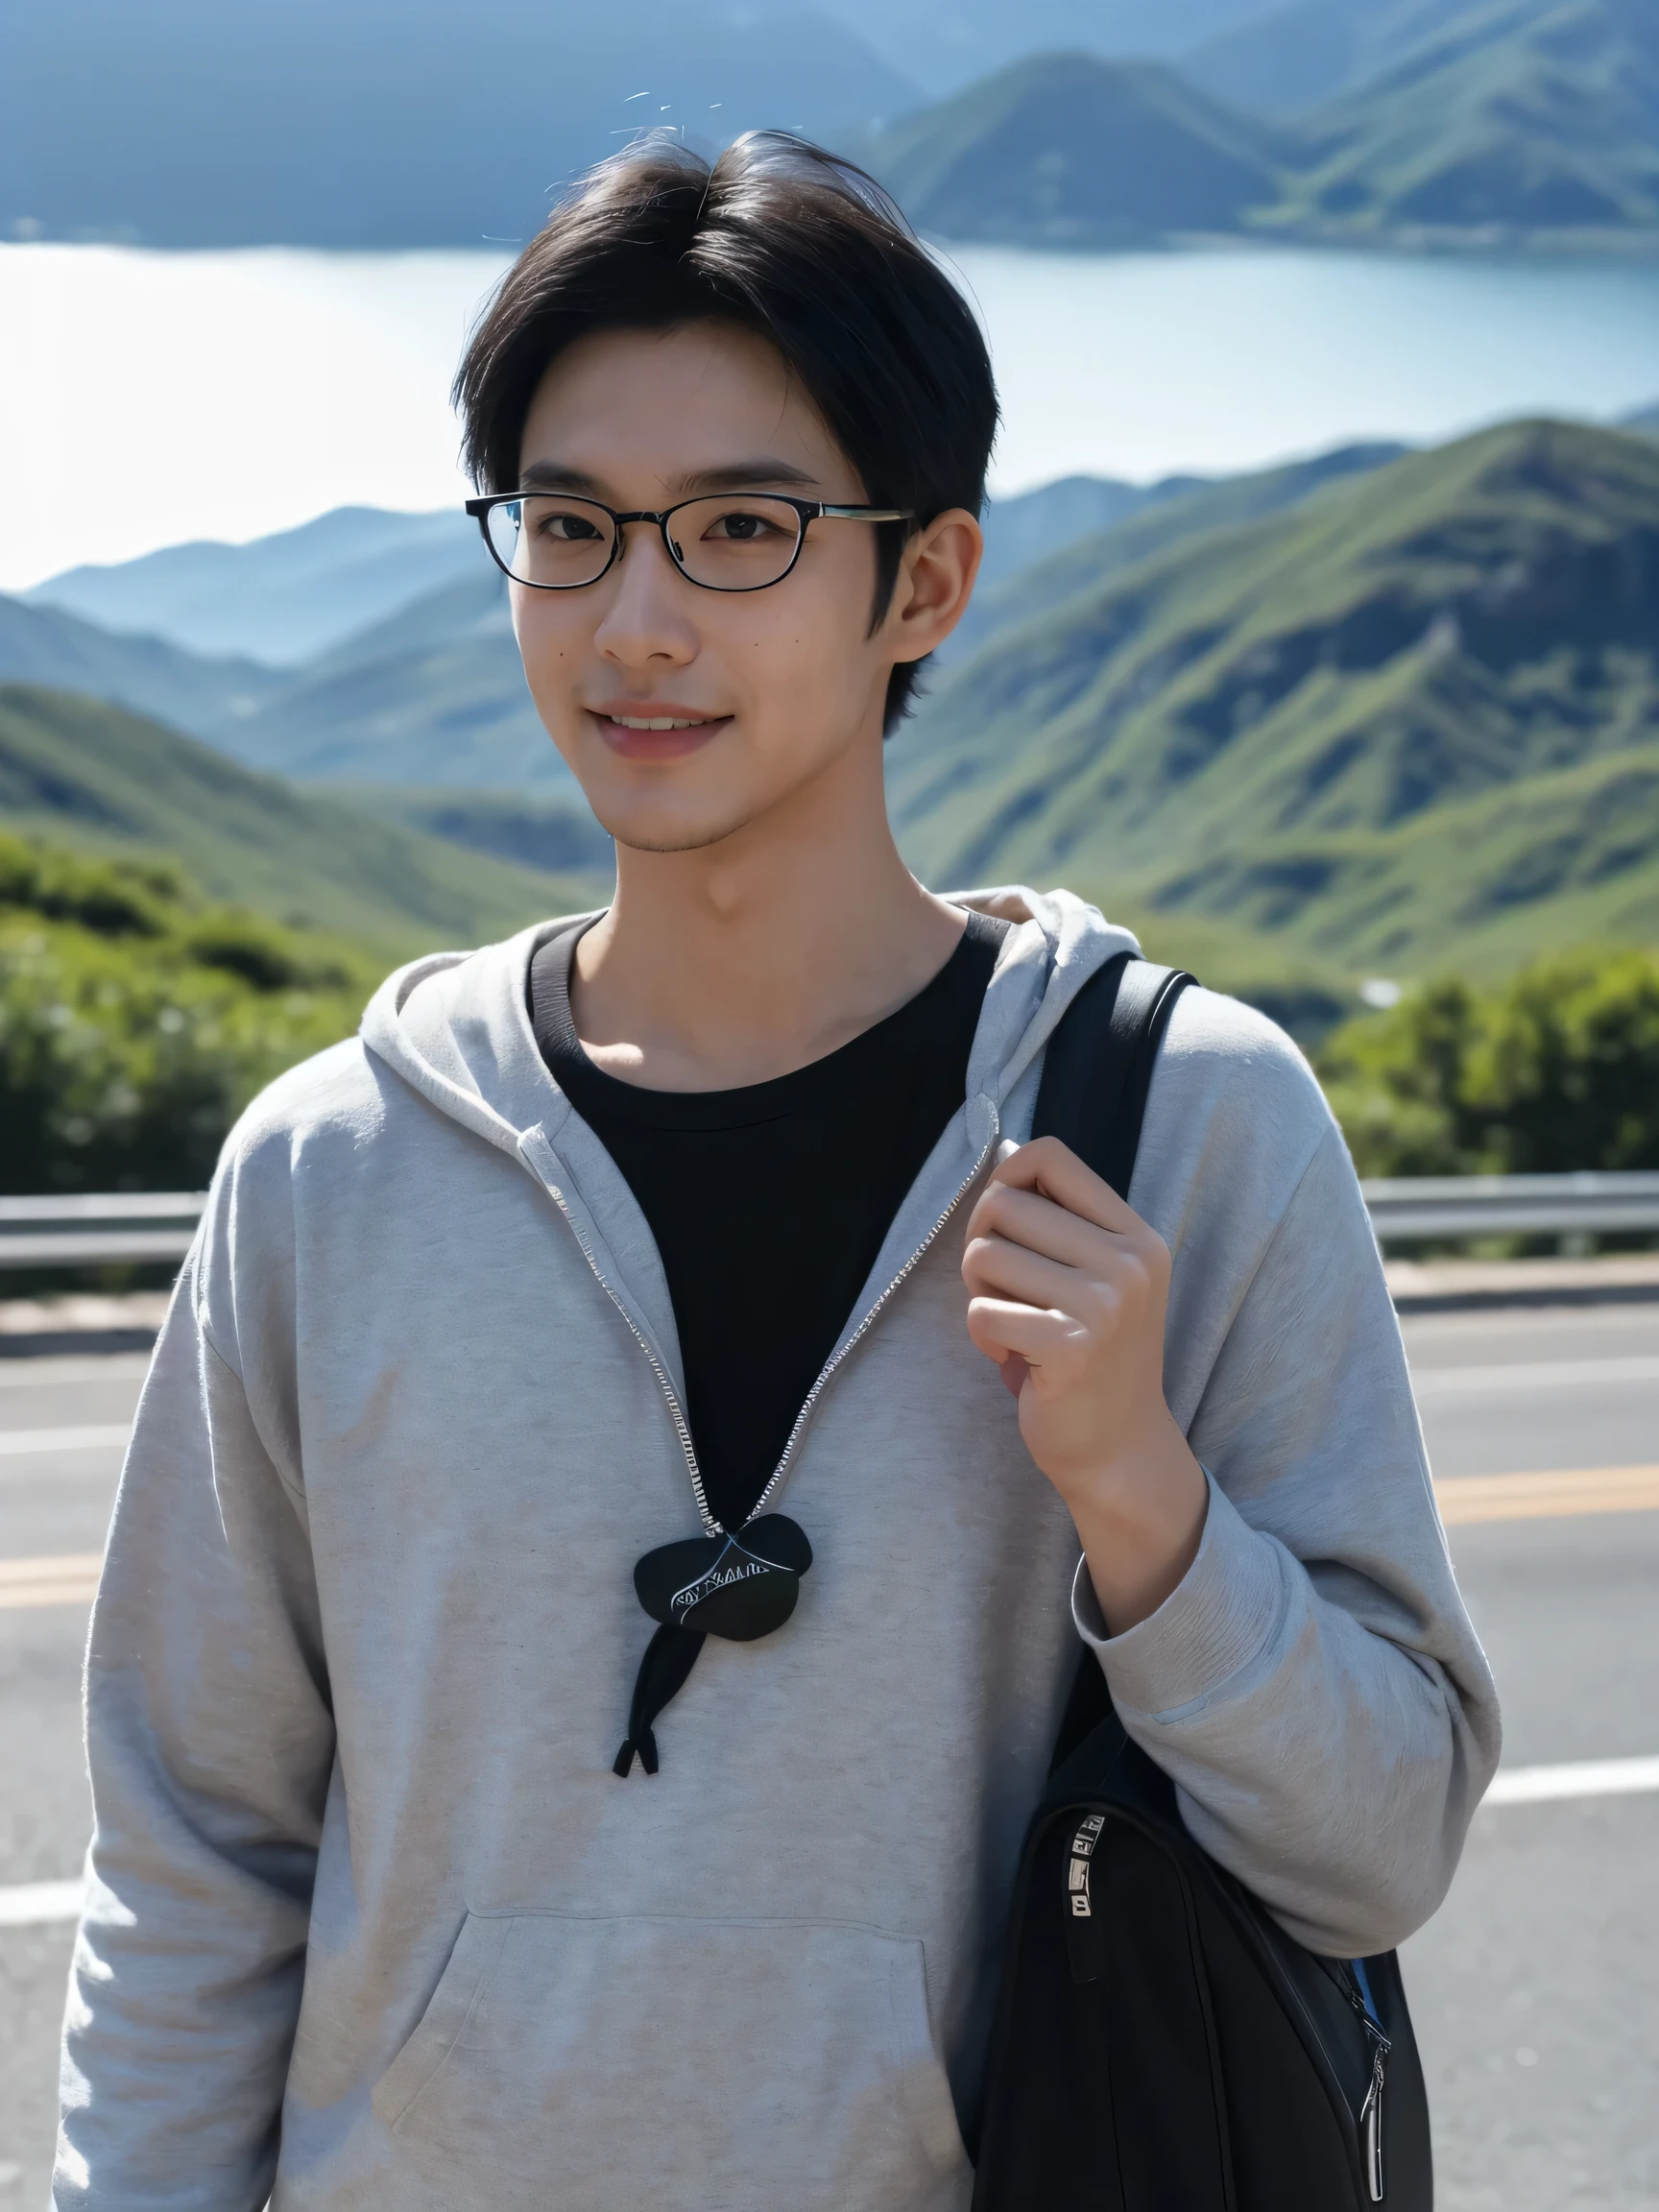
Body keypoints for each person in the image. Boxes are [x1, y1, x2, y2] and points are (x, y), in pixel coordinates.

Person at [56, 134, 1499, 2212]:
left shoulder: (1192, 1123)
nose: (635, 620)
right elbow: (194, 1871)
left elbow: (1381, 1849)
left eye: (739, 528)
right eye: (570, 528)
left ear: (922, 580)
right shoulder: (329, 1173)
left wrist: (1142, 1507)